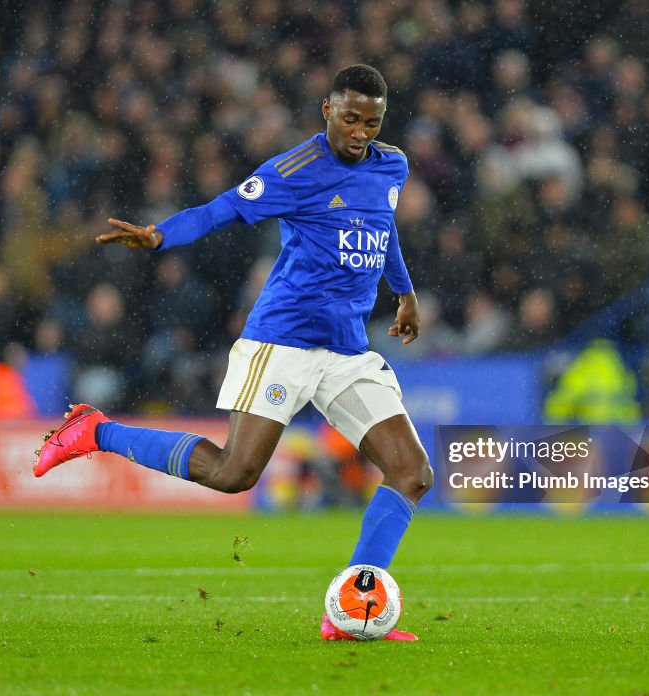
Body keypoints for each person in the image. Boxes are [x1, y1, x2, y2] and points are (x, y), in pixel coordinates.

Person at [34, 65, 432, 641]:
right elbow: (218, 210)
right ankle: (94, 431)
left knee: (411, 471)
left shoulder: (391, 164)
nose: (360, 132)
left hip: (347, 352)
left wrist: (405, 292)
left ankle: (351, 610)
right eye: (350, 118)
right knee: (233, 473)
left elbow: (383, 224)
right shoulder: (296, 170)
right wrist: (159, 235)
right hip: (282, 344)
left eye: (371, 122)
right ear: (327, 109)